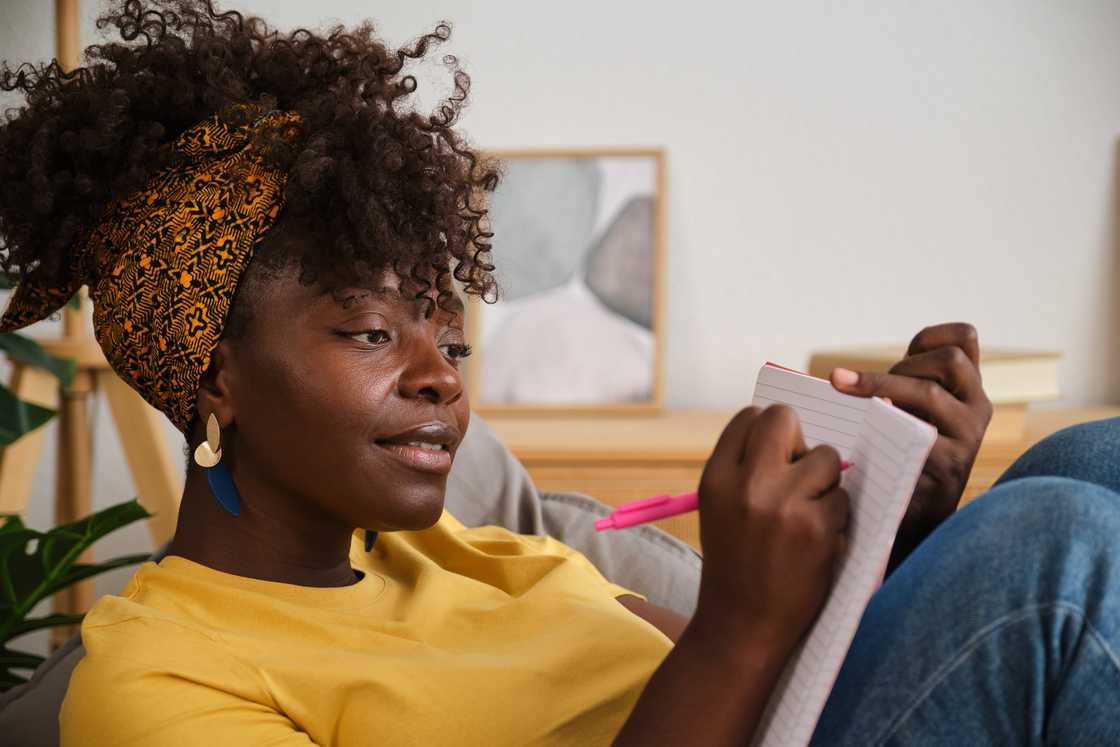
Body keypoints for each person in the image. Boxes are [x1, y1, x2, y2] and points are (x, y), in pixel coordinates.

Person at [0, 2, 1115, 744]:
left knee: (1084, 456)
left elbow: (798, 690)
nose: (441, 374)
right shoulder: (160, 685)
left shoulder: (473, 552)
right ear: (217, 379)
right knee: (1049, 546)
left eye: (440, 328)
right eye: (370, 332)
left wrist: (900, 530)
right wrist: (730, 621)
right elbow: (741, 653)